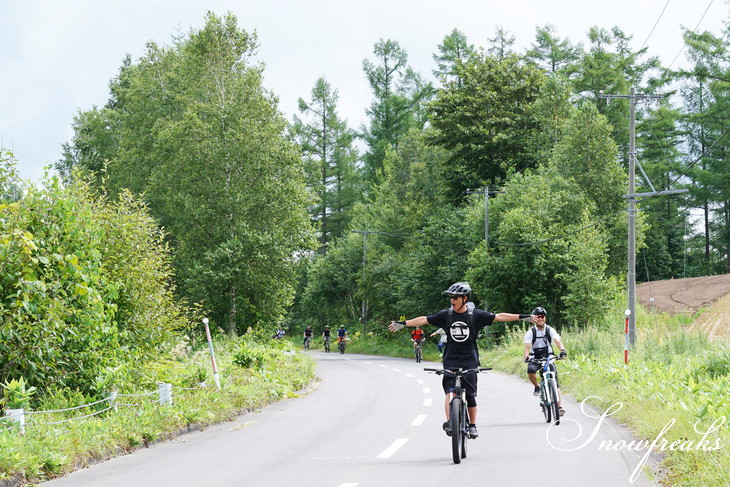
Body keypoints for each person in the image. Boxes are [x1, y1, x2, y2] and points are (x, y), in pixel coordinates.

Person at [389, 282, 531, 439]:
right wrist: (403, 323)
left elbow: (499, 316)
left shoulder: (475, 315)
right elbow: (424, 319)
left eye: (455, 298)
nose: (452, 300)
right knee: (450, 391)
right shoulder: (446, 315)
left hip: (469, 359)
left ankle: (472, 425)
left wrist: (524, 317)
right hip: (450, 359)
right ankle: (450, 421)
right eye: (451, 298)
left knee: (470, 394)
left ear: (464, 299)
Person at [523, 306, 567, 416]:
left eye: (542, 316)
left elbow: (557, 341)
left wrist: (562, 350)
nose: (540, 318)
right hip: (535, 357)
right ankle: (537, 387)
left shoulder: (549, 330)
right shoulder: (531, 332)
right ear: (534, 319)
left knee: (554, 381)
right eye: (538, 317)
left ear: (545, 318)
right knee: (531, 370)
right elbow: (527, 347)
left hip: (548, 357)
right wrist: (527, 356)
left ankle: (559, 406)